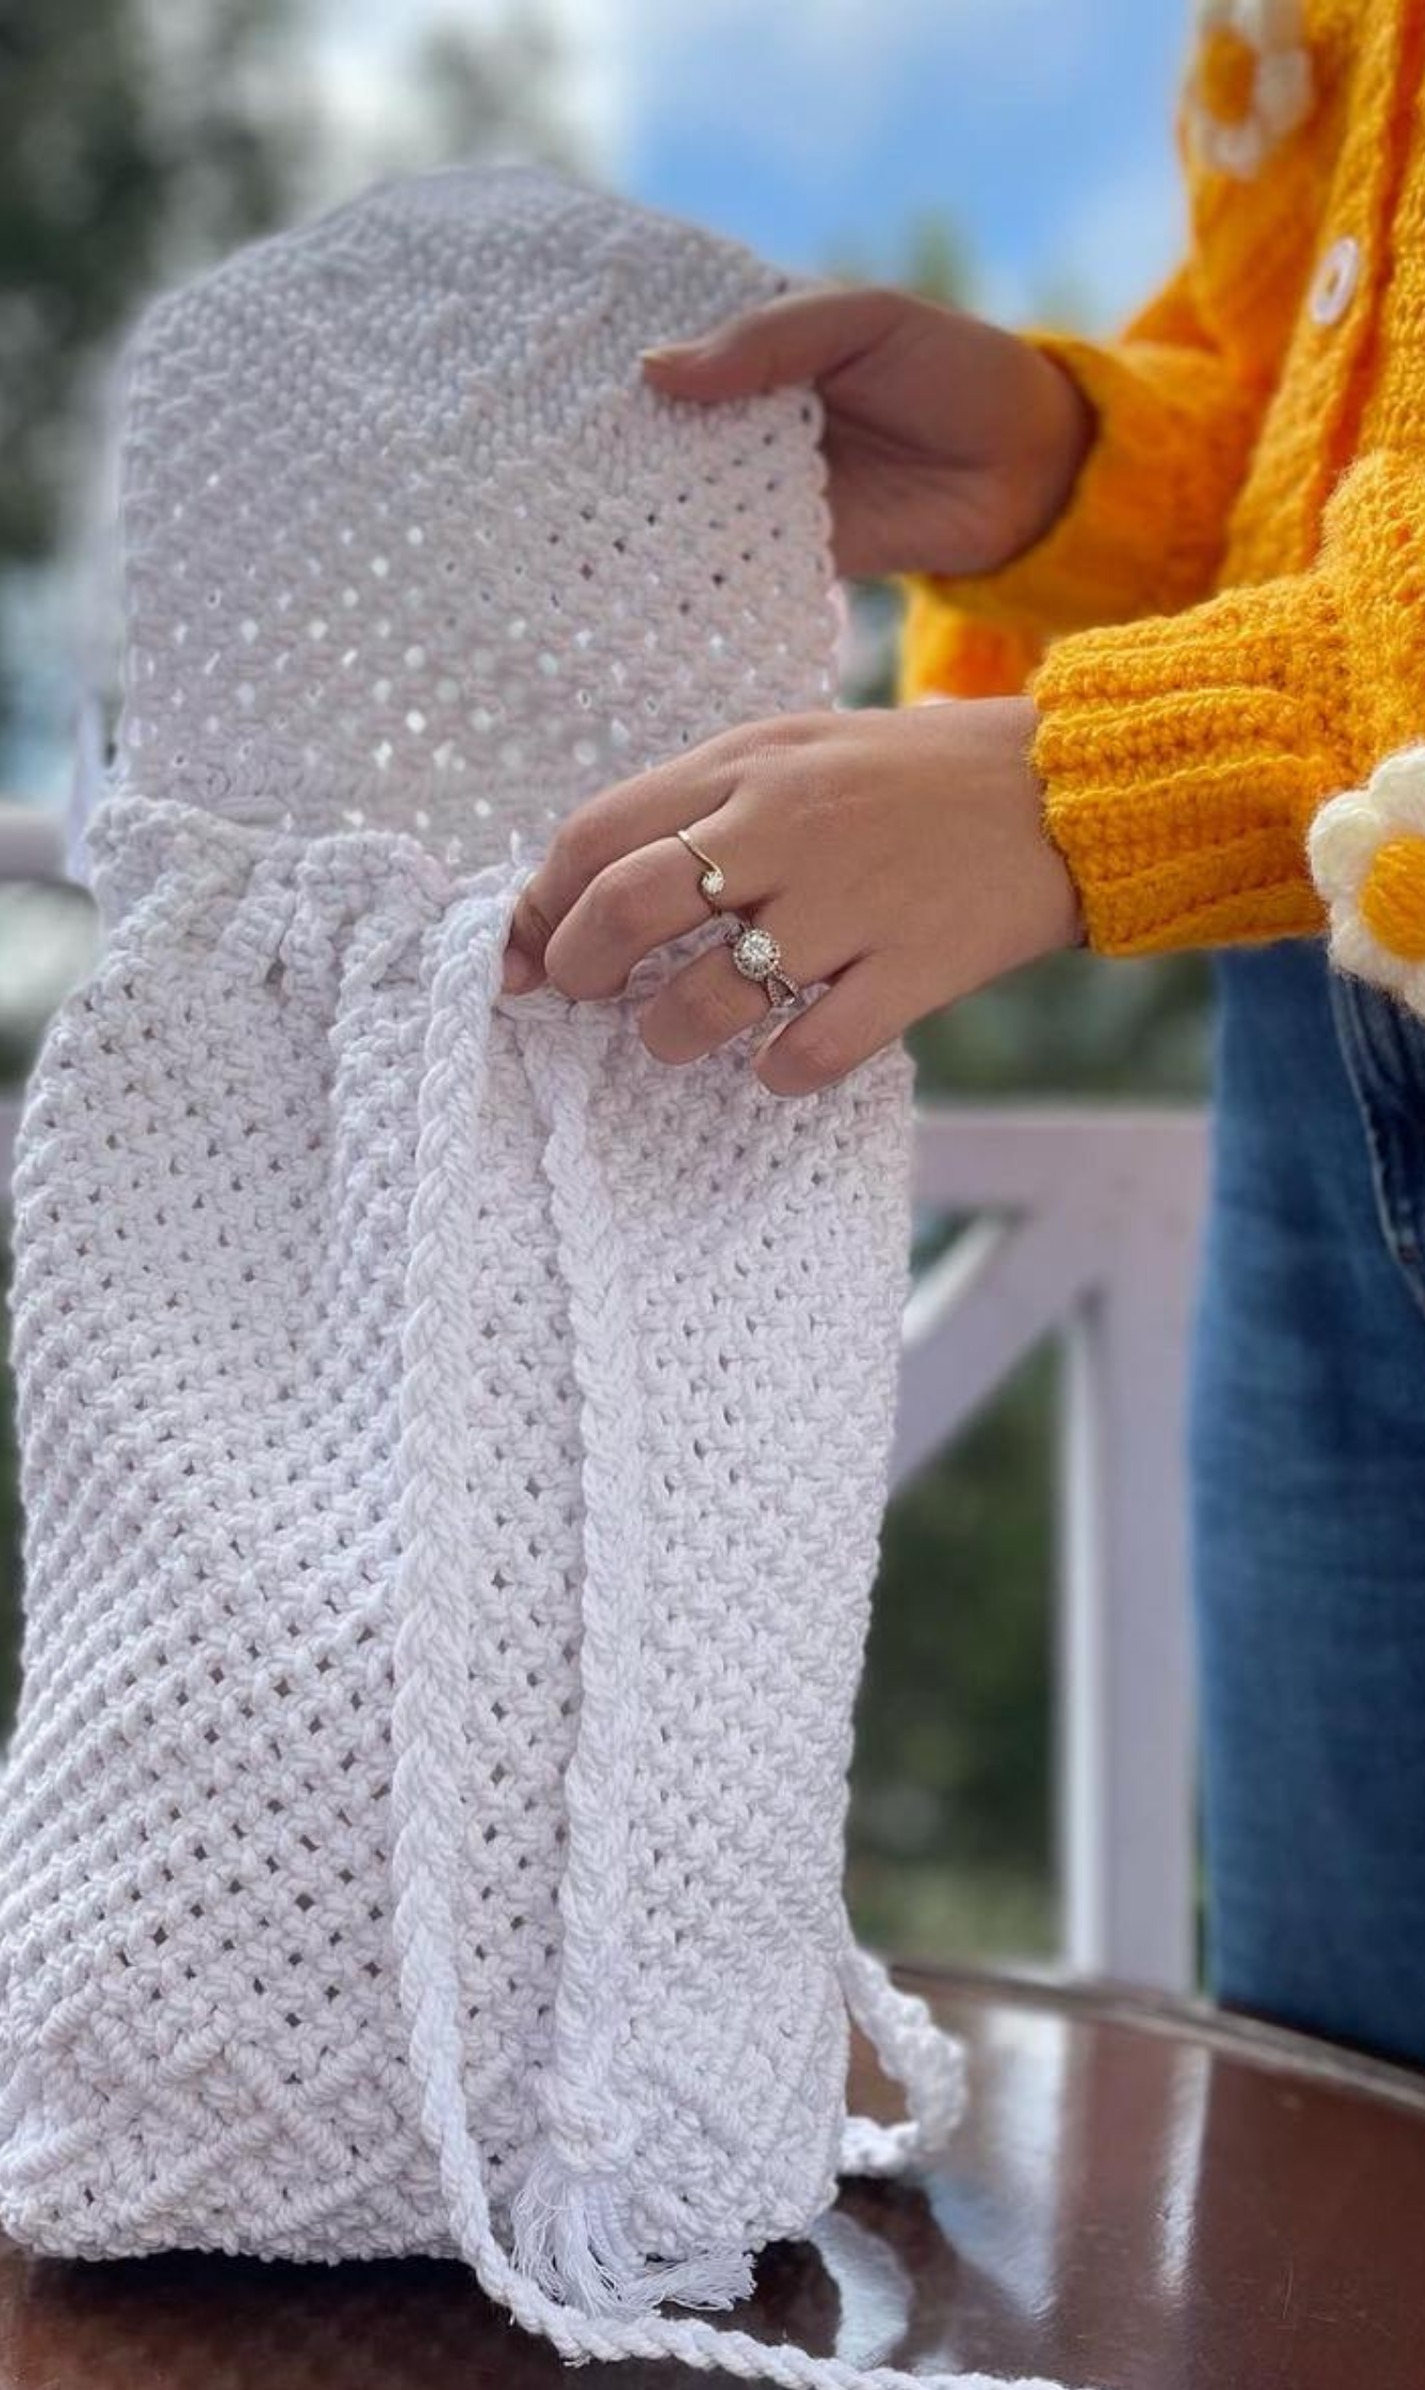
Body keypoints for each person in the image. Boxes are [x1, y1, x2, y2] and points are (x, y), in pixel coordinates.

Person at [501, 0, 1425, 2069]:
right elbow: (1340, 420)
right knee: (1350, 2119)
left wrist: (1083, 784)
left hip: (1320, 845)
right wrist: (1075, 473)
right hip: (1328, 1004)